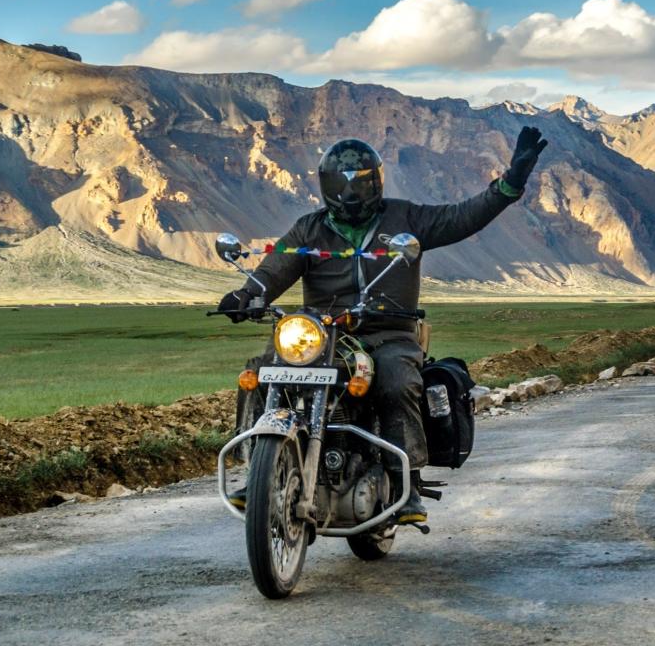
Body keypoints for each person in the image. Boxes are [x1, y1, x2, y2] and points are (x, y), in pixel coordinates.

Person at [218, 126, 549, 524]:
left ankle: (404, 479)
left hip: (387, 332)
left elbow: (463, 217)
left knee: (395, 379)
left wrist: (511, 184)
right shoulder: (310, 228)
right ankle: (257, 471)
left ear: (375, 180)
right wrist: (247, 294)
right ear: (325, 186)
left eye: (358, 183)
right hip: (322, 337)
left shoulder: (404, 217)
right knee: (261, 370)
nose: (350, 193)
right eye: (340, 184)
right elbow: (275, 267)